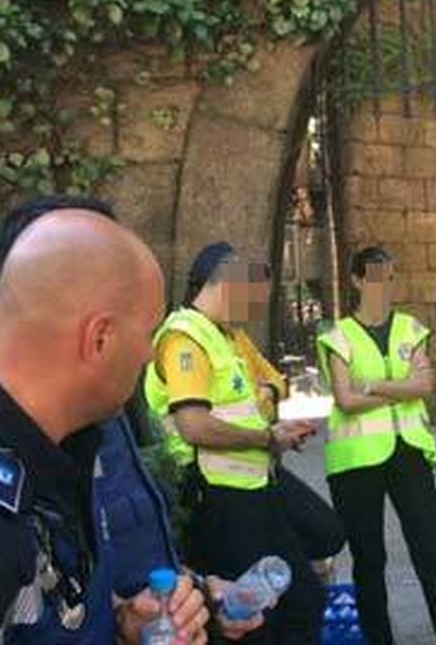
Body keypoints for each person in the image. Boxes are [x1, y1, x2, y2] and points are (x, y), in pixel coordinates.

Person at [0, 207, 214, 644]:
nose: (149, 356)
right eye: (149, 332)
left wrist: (122, 625)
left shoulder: (53, 441)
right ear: (99, 339)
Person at [145, 242, 331, 644]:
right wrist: (267, 435)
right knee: (264, 619)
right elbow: (193, 425)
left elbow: (276, 381)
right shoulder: (184, 339)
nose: (254, 310)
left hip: (254, 483)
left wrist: (267, 399)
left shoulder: (231, 337)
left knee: (306, 587)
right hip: (216, 495)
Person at [318, 246, 436, 645]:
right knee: (369, 561)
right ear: (356, 281)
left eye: (388, 276)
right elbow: (345, 400)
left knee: (431, 554)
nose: (382, 285)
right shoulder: (338, 336)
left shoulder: (410, 327)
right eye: (374, 276)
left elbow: (424, 385)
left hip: (410, 454)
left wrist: (371, 385)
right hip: (356, 461)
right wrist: (400, 390)